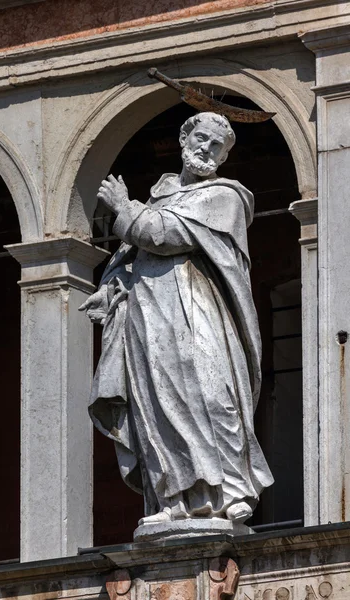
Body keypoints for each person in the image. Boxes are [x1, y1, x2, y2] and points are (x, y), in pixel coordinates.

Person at [81, 112, 273, 526]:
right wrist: (112, 288)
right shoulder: (160, 196)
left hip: (197, 310)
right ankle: (173, 500)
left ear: (223, 157)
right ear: (184, 138)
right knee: (157, 401)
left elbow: (165, 235)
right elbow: (130, 256)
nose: (206, 148)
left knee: (209, 393)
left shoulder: (226, 197)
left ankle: (228, 488)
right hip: (149, 316)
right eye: (201, 138)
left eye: (217, 146)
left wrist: (122, 207)